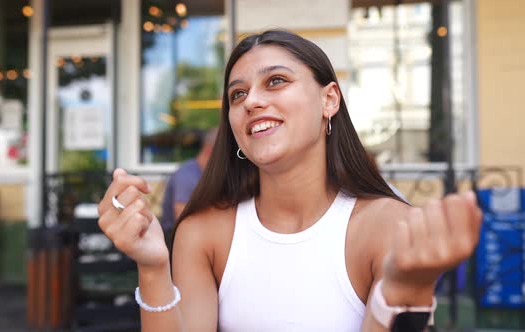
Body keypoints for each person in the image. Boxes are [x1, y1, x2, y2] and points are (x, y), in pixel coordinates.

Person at [97, 30, 482, 332]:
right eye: (238, 94)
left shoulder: (384, 224)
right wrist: (151, 268)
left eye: (276, 81)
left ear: (330, 100)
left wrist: (401, 296)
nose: (251, 102)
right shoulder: (203, 232)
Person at [161, 127, 218, 233]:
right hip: (174, 239)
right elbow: (182, 218)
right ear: (211, 150)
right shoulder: (187, 174)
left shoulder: (208, 174)